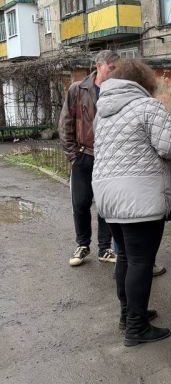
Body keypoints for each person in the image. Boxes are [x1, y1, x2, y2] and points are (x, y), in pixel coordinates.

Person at [92, 60, 171, 346]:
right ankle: (136, 327)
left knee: (125, 258)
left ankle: (128, 314)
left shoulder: (102, 112)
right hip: (139, 197)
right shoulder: (149, 107)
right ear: (144, 82)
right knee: (141, 261)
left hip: (107, 196)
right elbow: (170, 147)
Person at [59, 49, 119, 267]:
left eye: (116, 69)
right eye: (111, 68)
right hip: (84, 155)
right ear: (99, 66)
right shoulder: (78, 89)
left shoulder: (118, 90)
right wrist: (73, 157)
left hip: (108, 158)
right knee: (81, 203)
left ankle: (105, 248)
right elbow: (65, 124)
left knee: (105, 205)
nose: (114, 72)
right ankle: (83, 245)